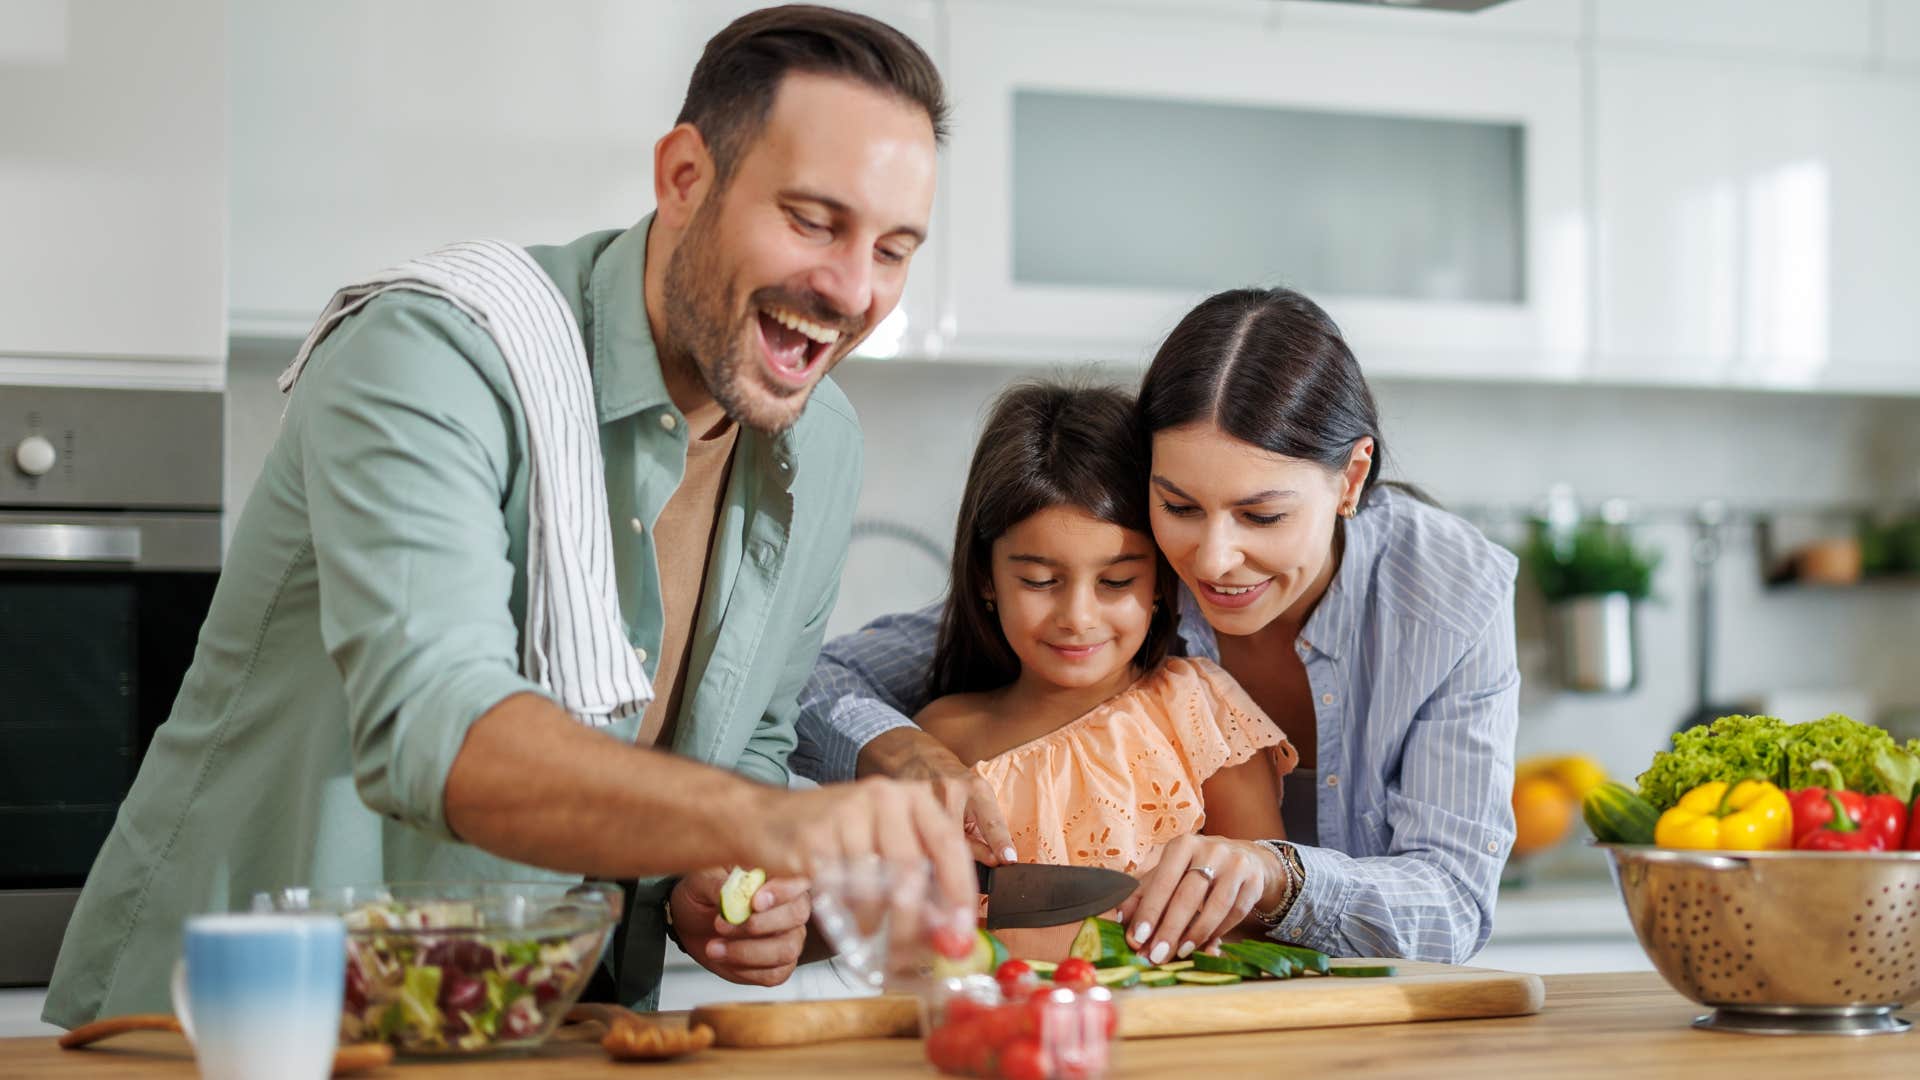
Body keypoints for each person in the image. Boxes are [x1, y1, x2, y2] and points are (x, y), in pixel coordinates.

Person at [45, 5, 973, 1028]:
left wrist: (718, 878)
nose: (852, 288)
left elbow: (745, 734)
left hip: (549, 1032)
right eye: (811, 219)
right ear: (683, 177)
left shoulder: (824, 442)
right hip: (242, 1028)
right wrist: (789, 826)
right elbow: (436, 729)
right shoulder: (434, 351)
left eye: (893, 248)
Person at [796, 287, 1520, 967]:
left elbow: (1452, 904)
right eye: (1178, 505)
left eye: (1262, 515)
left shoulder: (1450, 597)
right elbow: (810, 681)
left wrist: (1275, 874)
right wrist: (904, 753)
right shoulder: (1129, 567)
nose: (1211, 560)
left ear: (1351, 478)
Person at [913, 380, 1299, 961]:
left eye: (1117, 582)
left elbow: (1261, 924)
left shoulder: (1200, 711)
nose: (1078, 617)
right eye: (1040, 581)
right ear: (986, 579)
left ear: (1162, 583)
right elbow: (911, 937)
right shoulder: (940, 742)